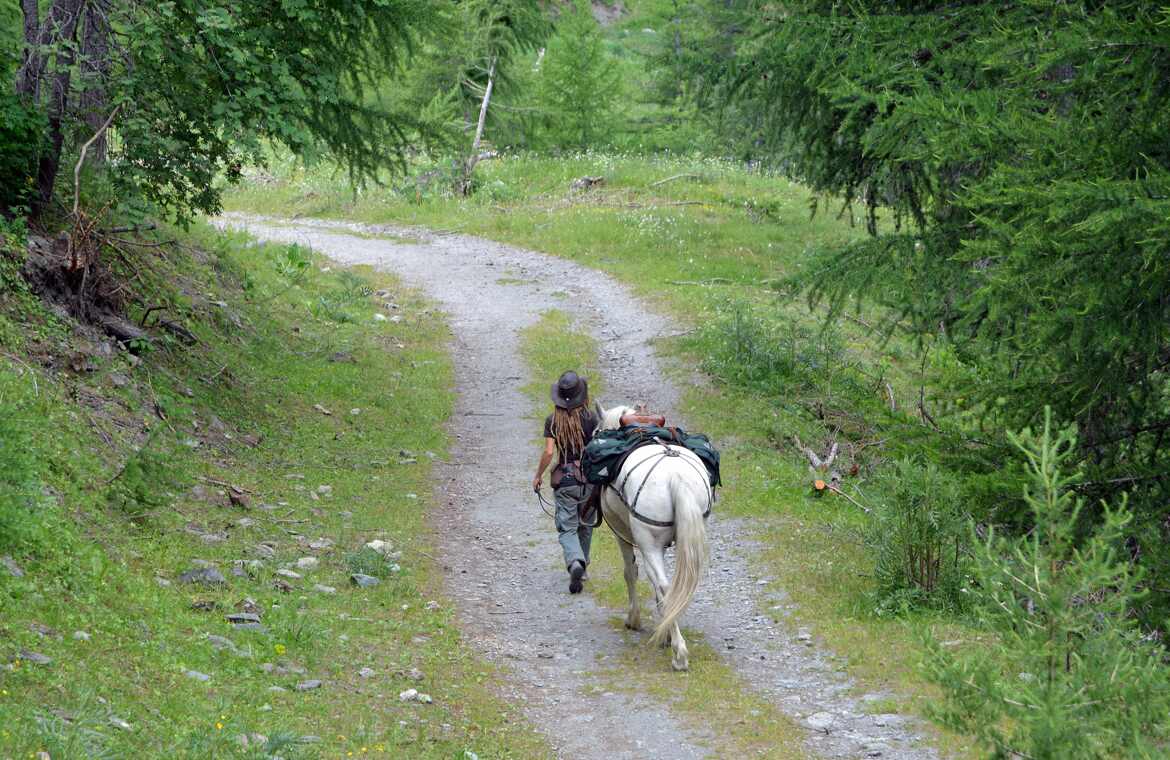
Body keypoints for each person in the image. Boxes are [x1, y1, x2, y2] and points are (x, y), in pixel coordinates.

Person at [532, 370, 599, 594]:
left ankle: (575, 562)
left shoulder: (553, 421)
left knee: (567, 527)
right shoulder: (591, 418)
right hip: (589, 480)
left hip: (566, 479)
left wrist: (538, 475)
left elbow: (549, 452)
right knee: (586, 524)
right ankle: (584, 565)